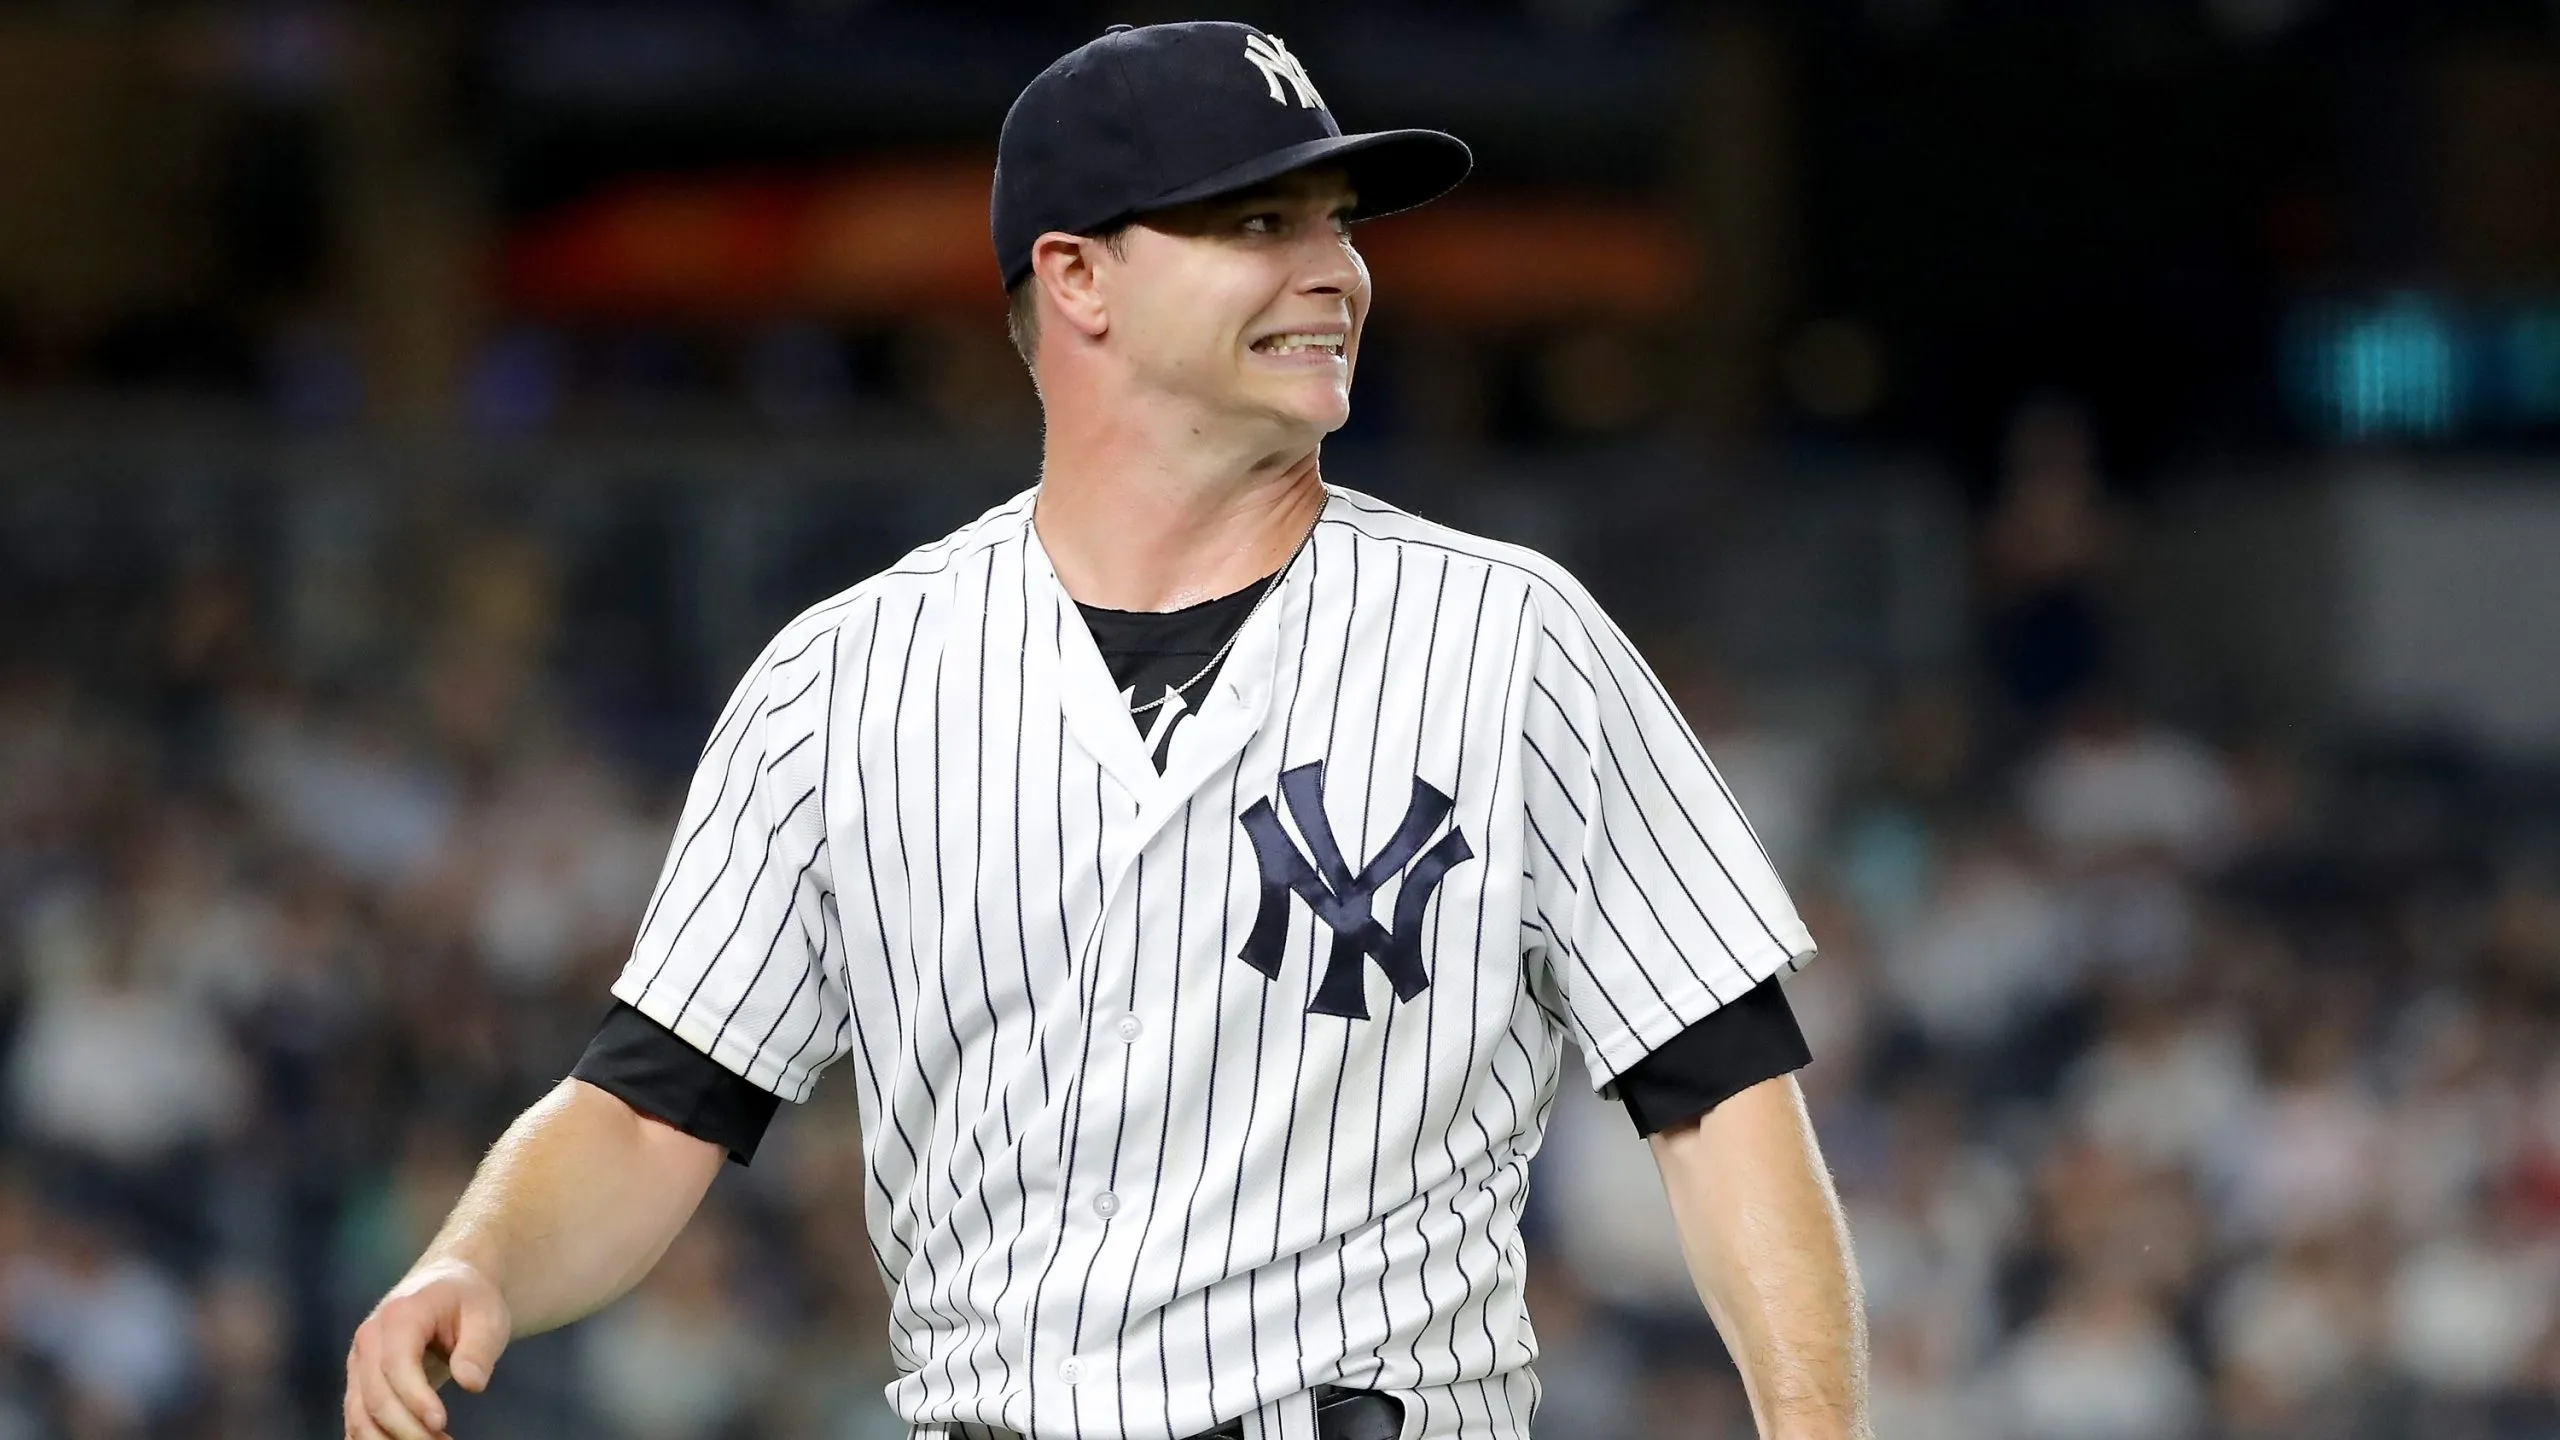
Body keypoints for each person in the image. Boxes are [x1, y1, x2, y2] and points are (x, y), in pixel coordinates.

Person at [343, 21, 1870, 1440]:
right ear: (1077, 277)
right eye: (1260, 225)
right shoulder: (847, 680)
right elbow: (647, 1107)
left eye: (1339, 222)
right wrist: (474, 1260)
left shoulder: (1513, 640)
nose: (1334, 269)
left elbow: (1722, 1101)